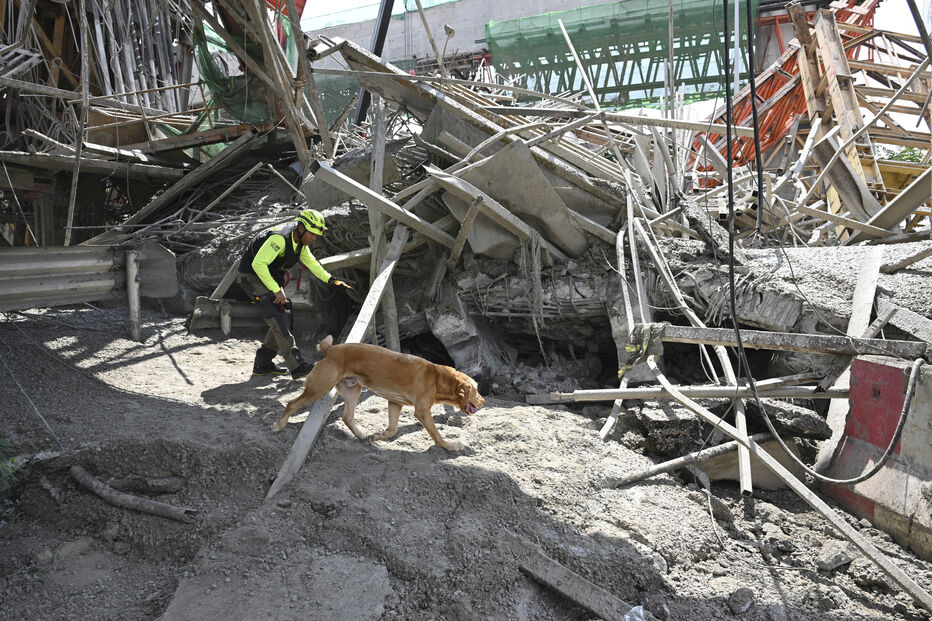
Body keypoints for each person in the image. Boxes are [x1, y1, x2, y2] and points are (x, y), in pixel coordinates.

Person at [236, 209, 351, 379]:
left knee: (284, 313)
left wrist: (331, 280)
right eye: (312, 234)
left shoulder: (300, 244)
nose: (313, 238)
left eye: (316, 235)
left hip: (266, 277)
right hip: (250, 277)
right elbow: (259, 264)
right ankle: (297, 367)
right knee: (277, 317)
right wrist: (276, 290)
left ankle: (263, 364)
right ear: (301, 227)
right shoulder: (280, 239)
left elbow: (313, 264)